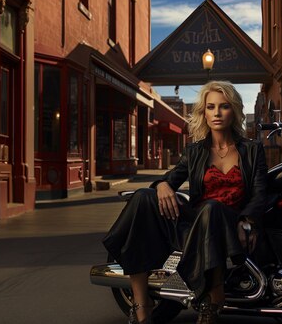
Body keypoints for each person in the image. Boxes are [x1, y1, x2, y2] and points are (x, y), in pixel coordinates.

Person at [102, 81, 268, 324]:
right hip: (197, 225)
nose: (217, 113)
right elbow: (169, 179)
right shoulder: (195, 151)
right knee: (143, 197)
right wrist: (161, 185)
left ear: (234, 110)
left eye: (223, 106)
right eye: (210, 107)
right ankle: (141, 304)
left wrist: (248, 219)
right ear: (204, 112)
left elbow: (260, 193)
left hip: (228, 224)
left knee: (212, 207)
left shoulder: (252, 150)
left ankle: (212, 298)